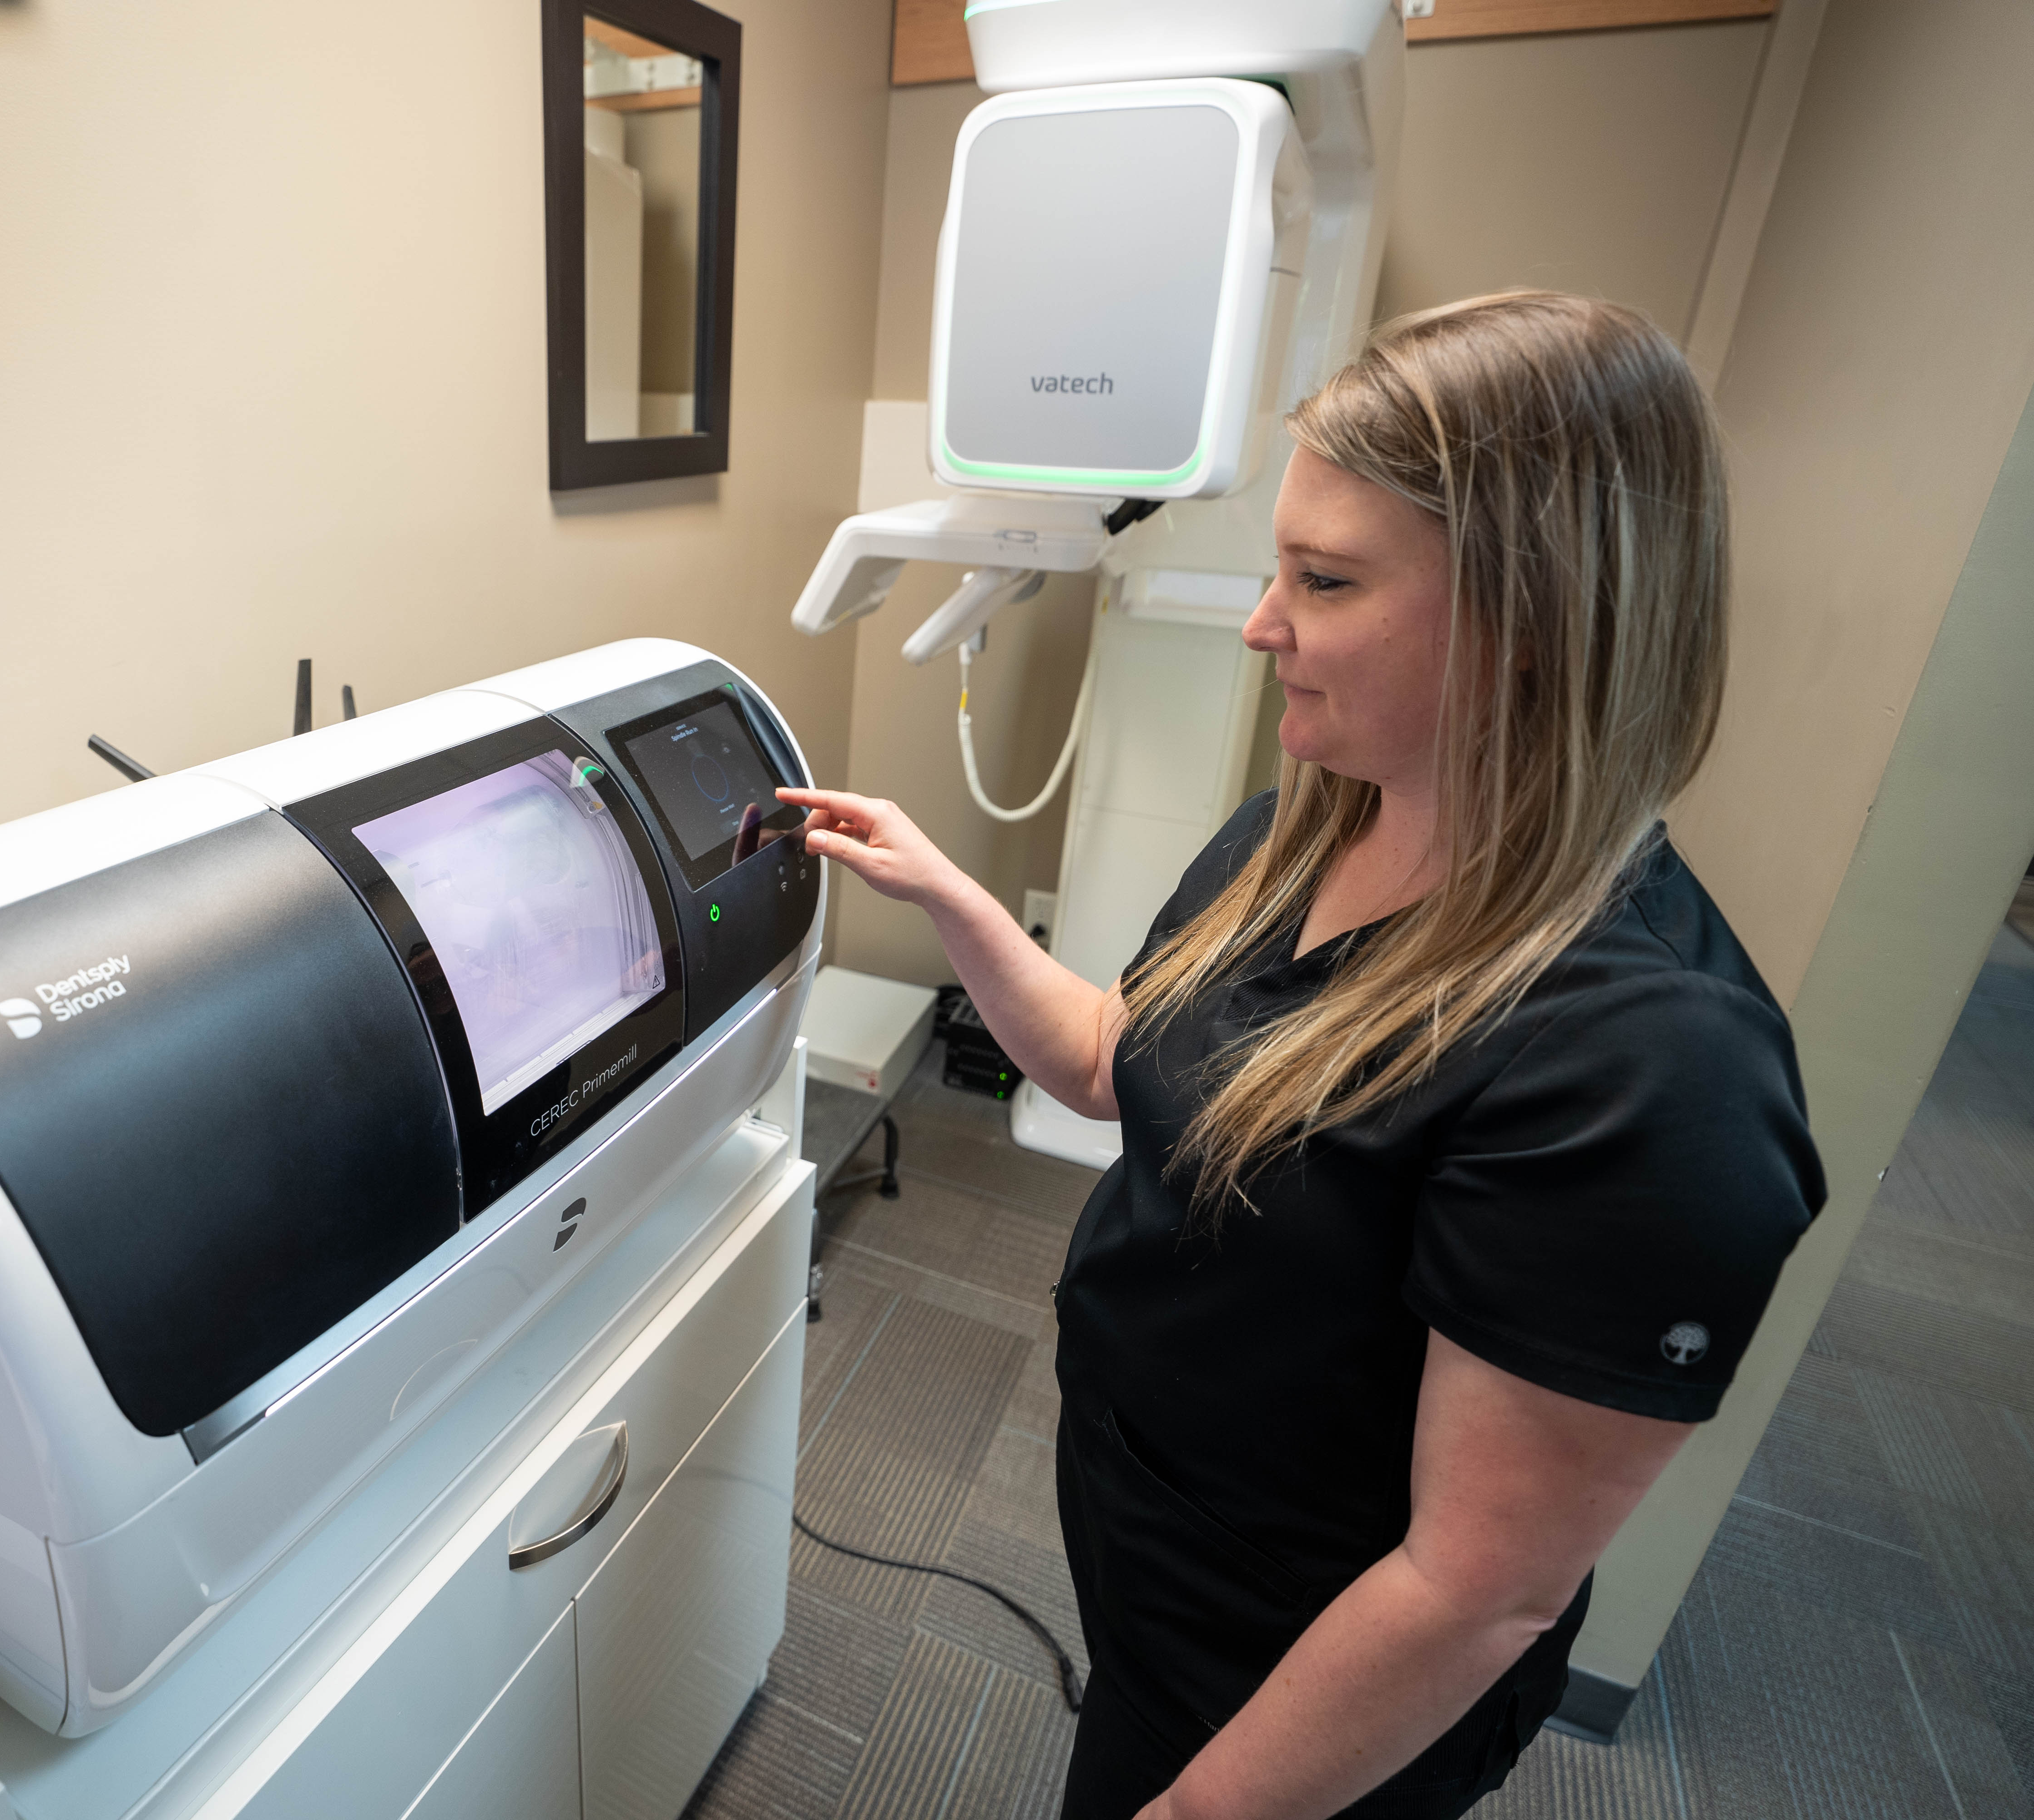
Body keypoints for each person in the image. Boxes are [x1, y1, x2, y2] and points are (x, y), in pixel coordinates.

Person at [777, 291, 1824, 1820]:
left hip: (1302, 1672)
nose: (1265, 625)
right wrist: (948, 894)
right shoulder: (1301, 830)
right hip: (1156, 1567)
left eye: (1324, 582)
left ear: (1539, 622)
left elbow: (1472, 1594)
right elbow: (1109, 1063)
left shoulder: (1652, 1079)